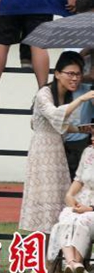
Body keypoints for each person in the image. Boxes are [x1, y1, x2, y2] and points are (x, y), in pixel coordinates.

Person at [19, 52, 94, 235]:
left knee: (58, 202)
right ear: (58, 73)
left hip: (57, 151)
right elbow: (54, 115)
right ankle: (43, 251)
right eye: (70, 73)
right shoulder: (44, 93)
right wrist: (81, 98)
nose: (75, 78)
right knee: (45, 201)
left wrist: (83, 129)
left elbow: (62, 126)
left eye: (78, 74)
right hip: (42, 152)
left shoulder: (65, 95)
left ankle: (54, 251)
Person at [46, 135, 94, 273]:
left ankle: (75, 266)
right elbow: (79, 179)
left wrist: (90, 208)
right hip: (83, 200)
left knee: (82, 221)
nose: (92, 138)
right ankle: (73, 264)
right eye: (92, 133)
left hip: (91, 208)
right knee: (66, 217)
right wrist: (70, 195)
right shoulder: (88, 151)